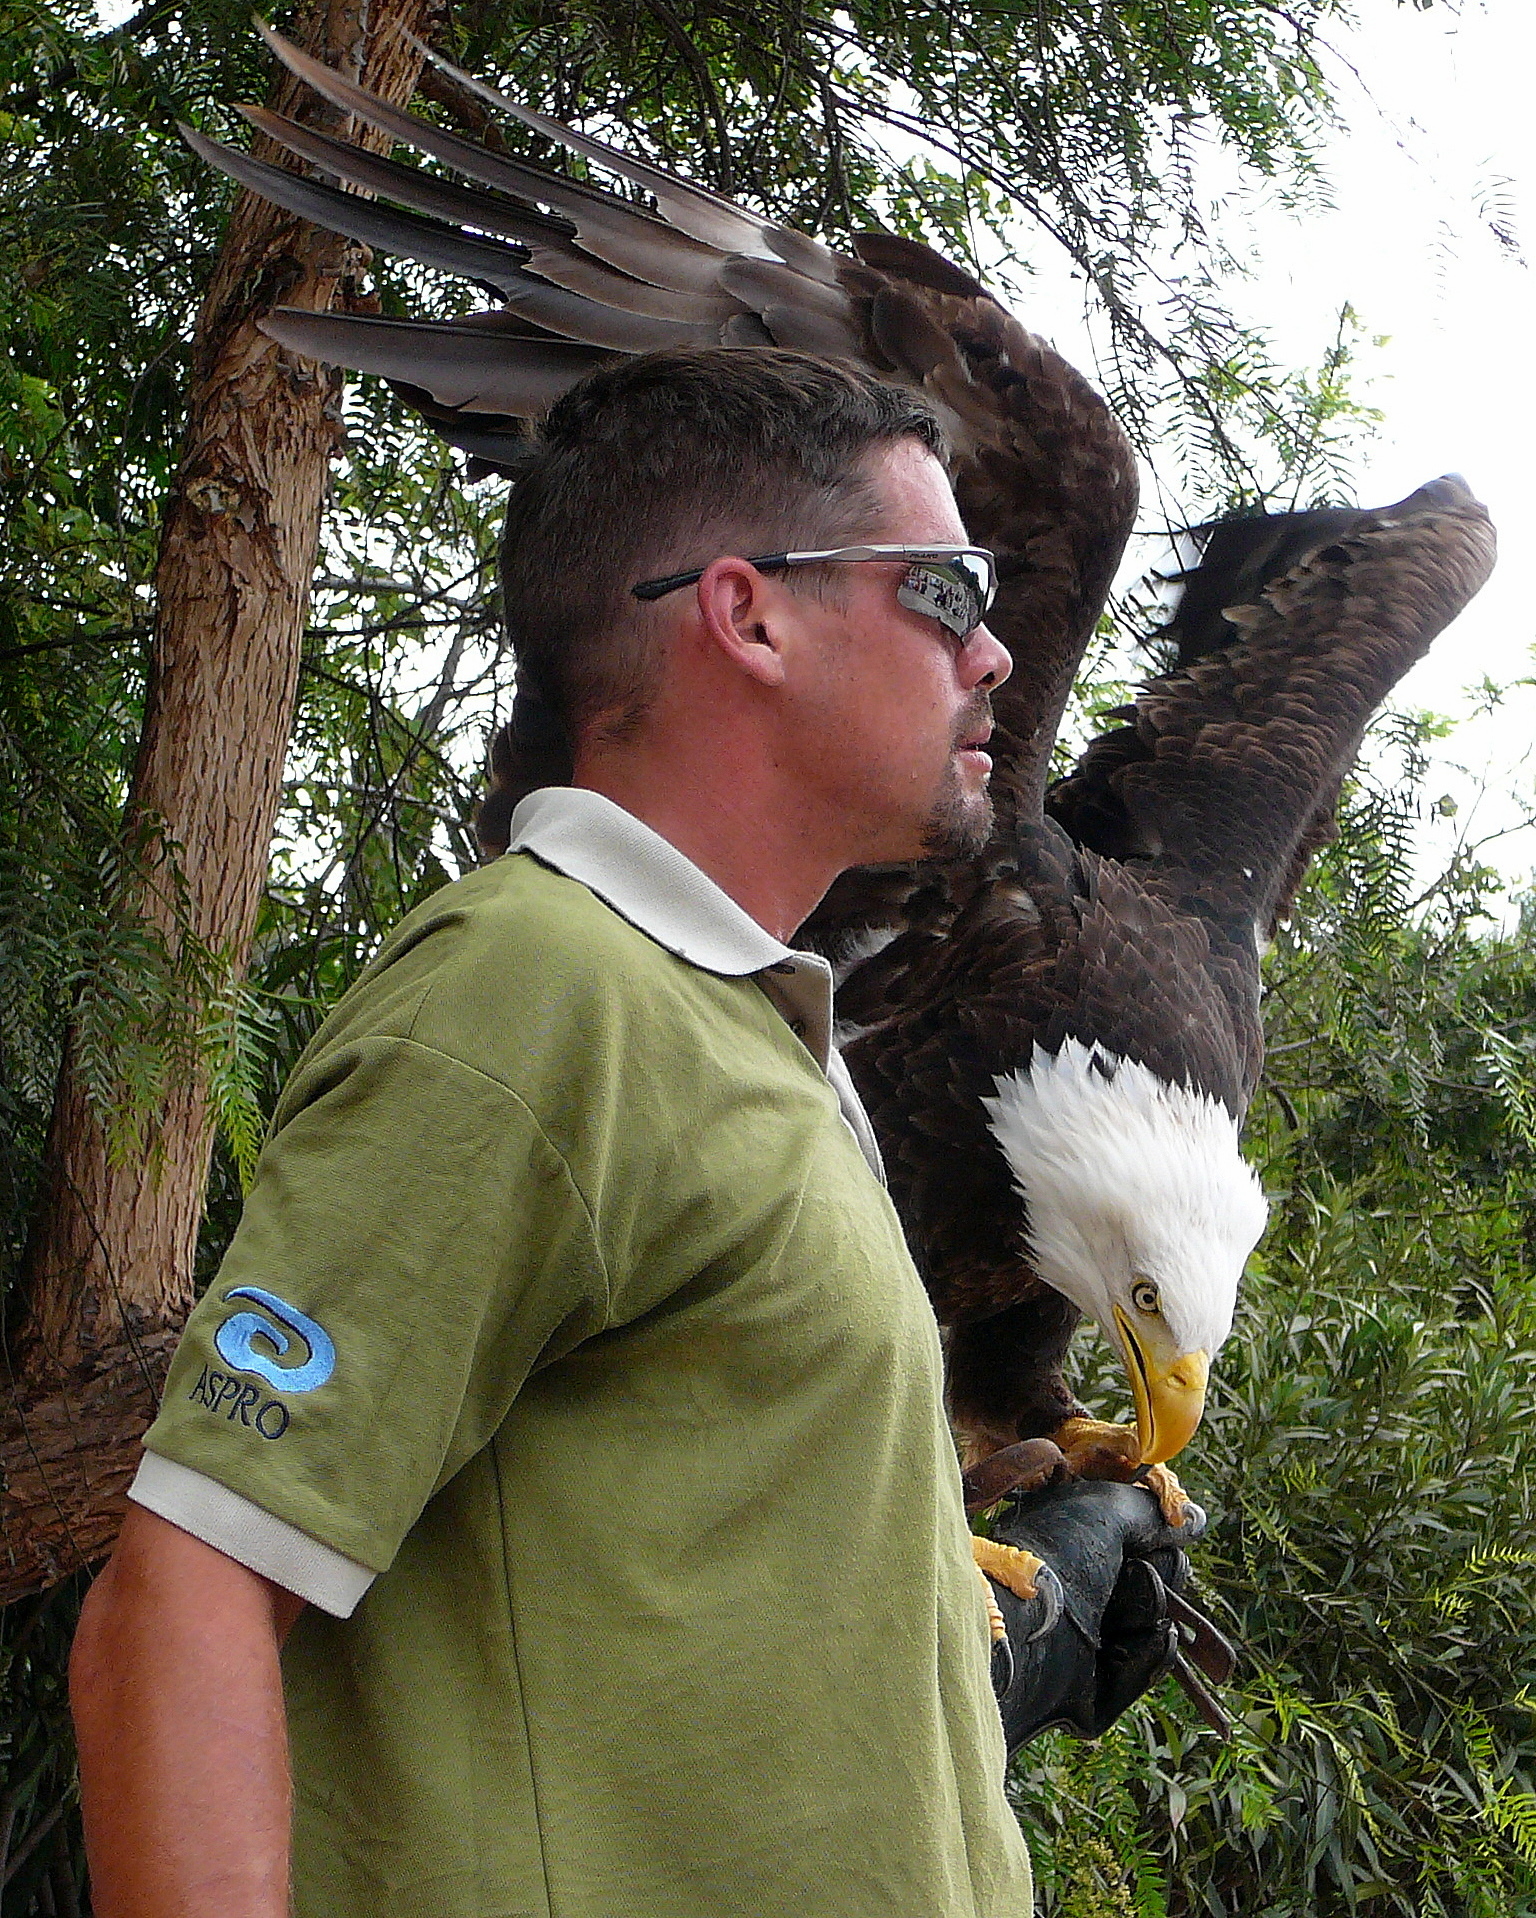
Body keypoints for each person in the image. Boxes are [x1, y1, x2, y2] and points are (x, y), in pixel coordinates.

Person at [70, 347, 1197, 1918]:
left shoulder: (756, 1026)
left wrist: (998, 1616)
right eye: (945, 591)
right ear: (748, 614)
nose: (998, 654)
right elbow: (182, 1601)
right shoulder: (540, 989)